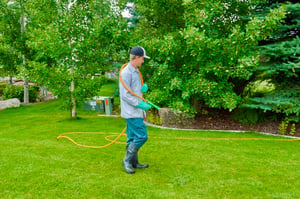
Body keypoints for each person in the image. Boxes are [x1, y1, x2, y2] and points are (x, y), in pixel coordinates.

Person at [119, 46, 152, 174]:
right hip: (131, 112)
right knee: (142, 136)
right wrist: (141, 105)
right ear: (137, 57)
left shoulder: (136, 71)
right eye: (142, 59)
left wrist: (142, 89)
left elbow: (134, 90)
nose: (143, 61)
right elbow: (125, 95)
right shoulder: (126, 73)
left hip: (135, 111)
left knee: (132, 137)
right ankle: (127, 160)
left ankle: (134, 162)